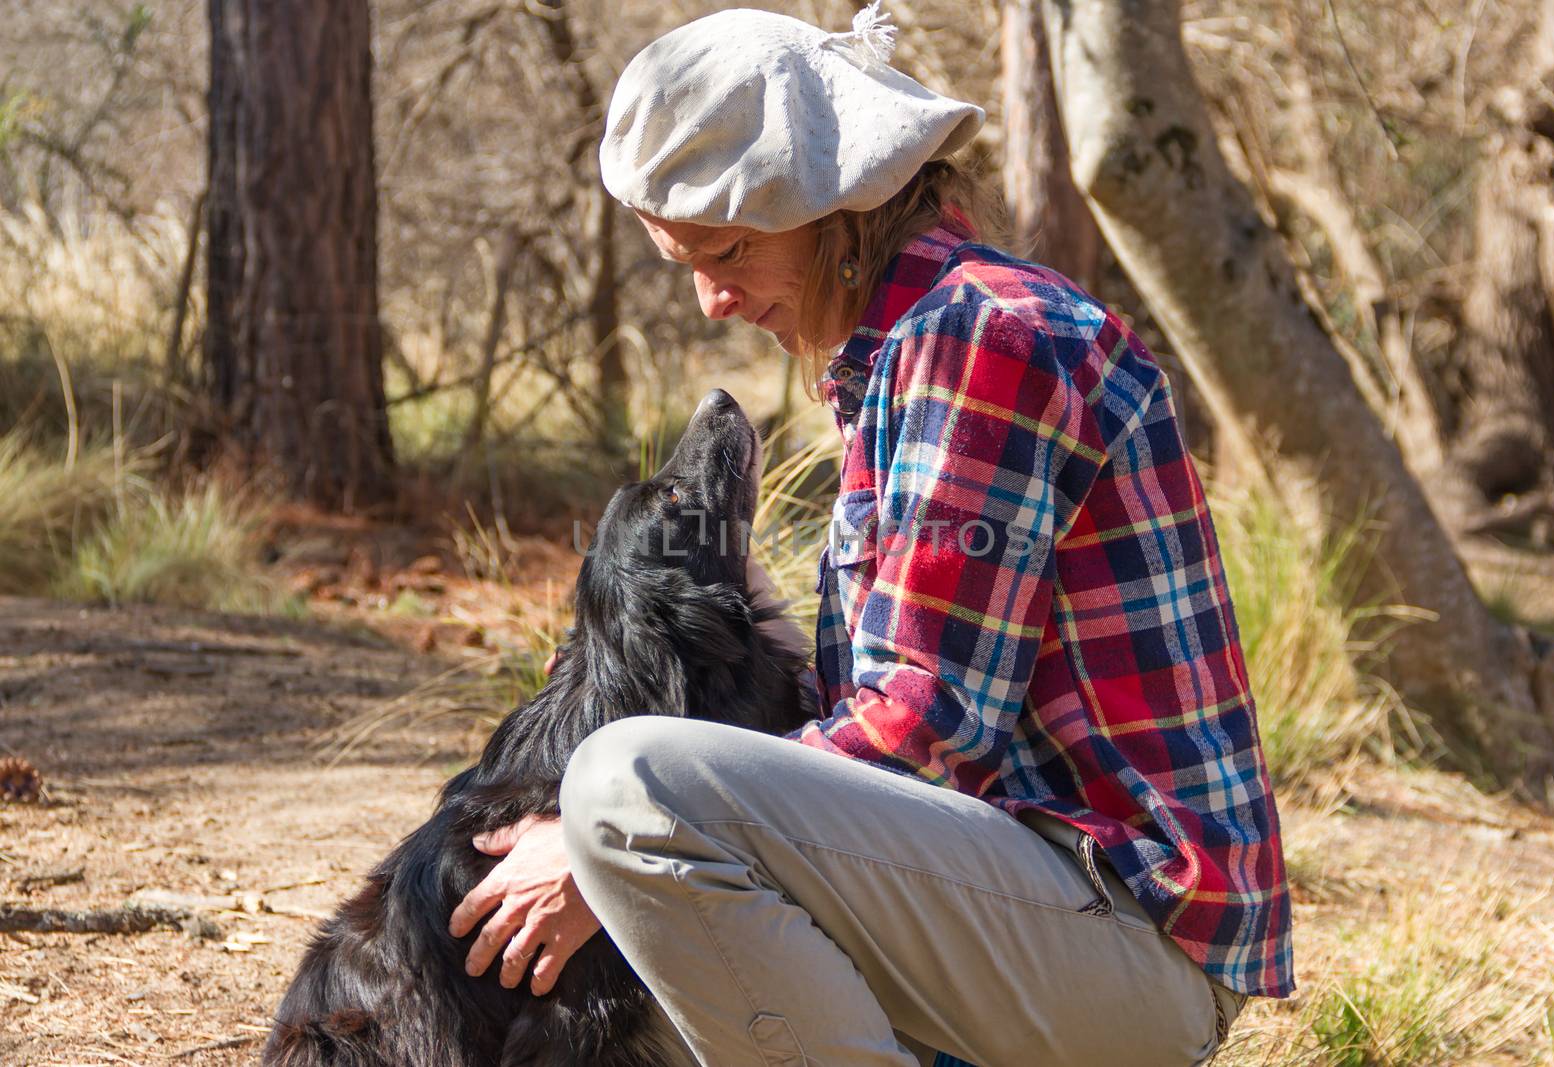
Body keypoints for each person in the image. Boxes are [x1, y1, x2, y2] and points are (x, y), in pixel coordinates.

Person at [447, 6, 1294, 1065]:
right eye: (685, 261)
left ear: (839, 209)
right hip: (1042, 909)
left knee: (630, 787)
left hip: (1132, 945)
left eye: (730, 247)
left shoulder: (981, 336)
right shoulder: (910, 350)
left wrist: (591, 840)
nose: (711, 299)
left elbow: (924, 731)